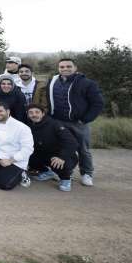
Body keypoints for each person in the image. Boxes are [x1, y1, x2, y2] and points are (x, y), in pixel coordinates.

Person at [43, 58, 104, 187]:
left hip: (78, 122)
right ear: (58, 68)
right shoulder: (53, 81)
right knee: (61, 148)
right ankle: (66, 171)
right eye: (62, 67)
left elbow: (98, 103)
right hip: (58, 121)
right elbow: (49, 100)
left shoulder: (87, 83)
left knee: (83, 149)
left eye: (68, 66)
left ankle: (86, 173)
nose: (65, 69)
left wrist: (85, 119)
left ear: (75, 68)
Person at [27, 104, 79, 192]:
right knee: (27, 156)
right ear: (28, 115)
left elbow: (72, 142)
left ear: (43, 114)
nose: (34, 115)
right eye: (31, 113)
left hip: (61, 155)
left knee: (58, 162)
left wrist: (62, 157)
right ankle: (47, 172)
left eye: (37, 112)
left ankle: (66, 179)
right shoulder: (29, 126)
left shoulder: (55, 124)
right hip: (44, 153)